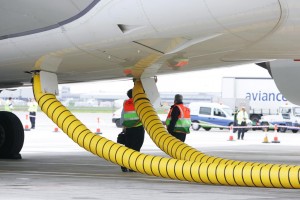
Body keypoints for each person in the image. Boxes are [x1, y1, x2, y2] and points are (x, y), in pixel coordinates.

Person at [120, 89, 145, 172]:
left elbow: (123, 114)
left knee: (128, 147)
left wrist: (124, 127)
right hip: (138, 127)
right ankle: (132, 166)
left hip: (128, 128)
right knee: (136, 147)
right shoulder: (139, 102)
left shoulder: (126, 103)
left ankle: (124, 165)